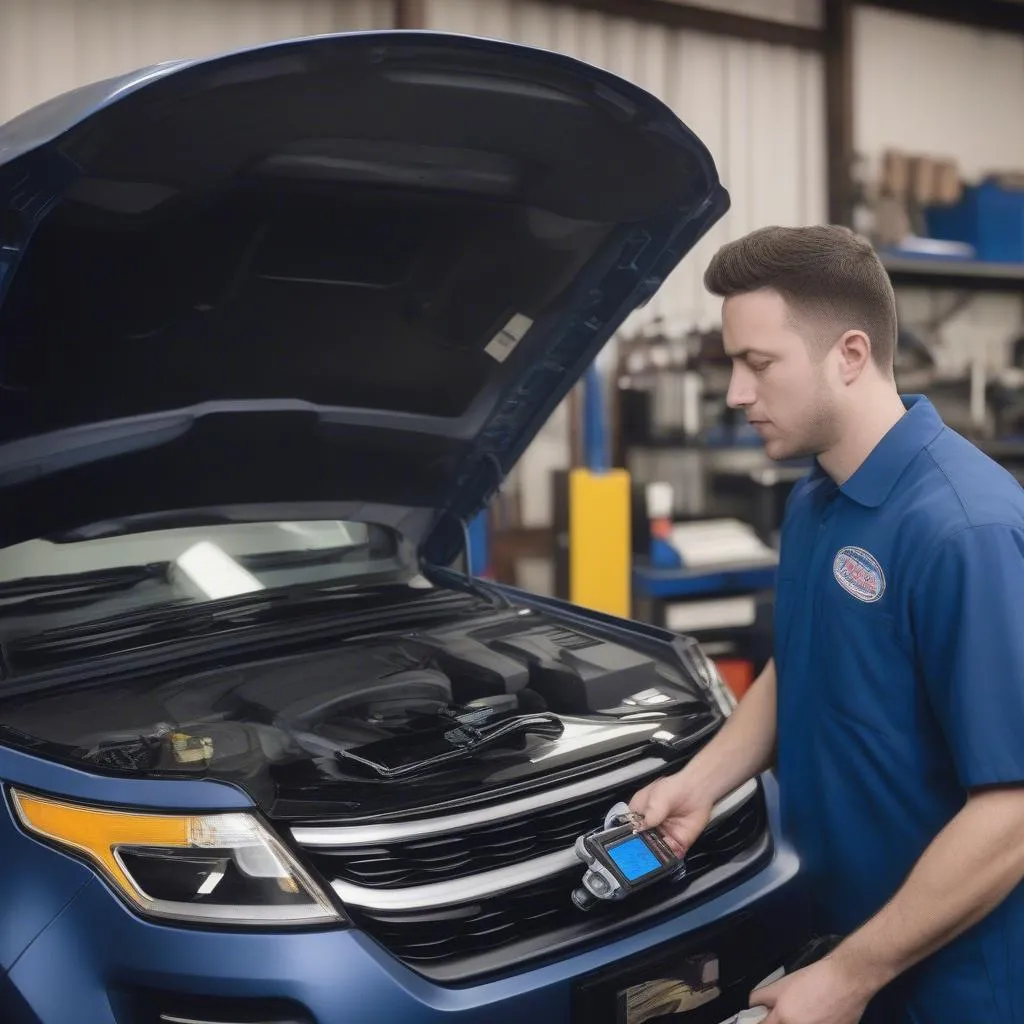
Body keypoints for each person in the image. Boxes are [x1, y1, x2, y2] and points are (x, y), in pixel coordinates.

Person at [629, 225, 1024, 1024]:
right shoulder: (816, 497)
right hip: (838, 946)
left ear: (848, 354)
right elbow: (804, 660)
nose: (736, 393)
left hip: (948, 983)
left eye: (758, 363)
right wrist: (701, 784)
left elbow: (1012, 811)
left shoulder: (965, 530)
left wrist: (852, 975)